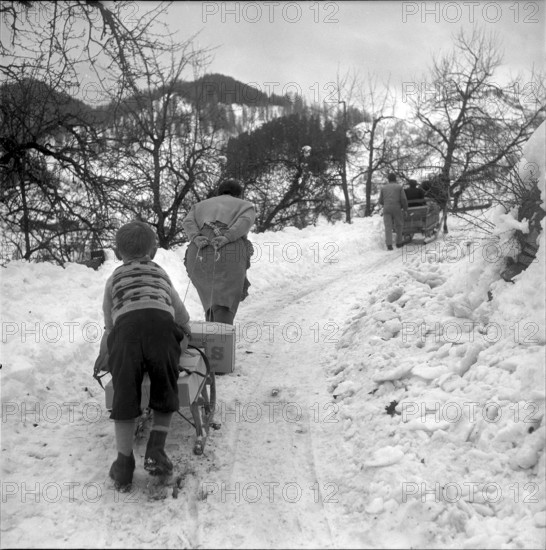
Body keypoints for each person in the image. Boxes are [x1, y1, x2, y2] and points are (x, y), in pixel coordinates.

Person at [98, 221, 192, 490]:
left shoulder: (113, 279)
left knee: (125, 394)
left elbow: (110, 326)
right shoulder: (160, 274)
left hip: (125, 334)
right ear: (152, 251)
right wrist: (184, 336)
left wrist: (107, 353)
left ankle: (123, 463)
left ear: (118, 253)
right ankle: (156, 449)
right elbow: (182, 316)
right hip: (161, 329)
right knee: (165, 385)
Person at [182, 179, 256, 325]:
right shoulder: (245, 206)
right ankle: (221, 341)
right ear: (238, 194)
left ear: (219, 192)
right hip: (229, 250)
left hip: (198, 251)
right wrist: (227, 237)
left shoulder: (199, 206)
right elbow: (244, 222)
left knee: (210, 299)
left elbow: (187, 222)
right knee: (225, 301)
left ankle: (212, 340)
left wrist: (196, 237)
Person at [378, 173, 408, 250]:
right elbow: (404, 199)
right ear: (395, 179)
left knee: (388, 226)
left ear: (388, 179)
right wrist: (405, 209)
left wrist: (386, 203)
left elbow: (380, 200)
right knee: (399, 225)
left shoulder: (383, 188)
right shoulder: (399, 187)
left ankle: (389, 245)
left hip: (386, 208)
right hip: (396, 207)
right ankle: (399, 243)